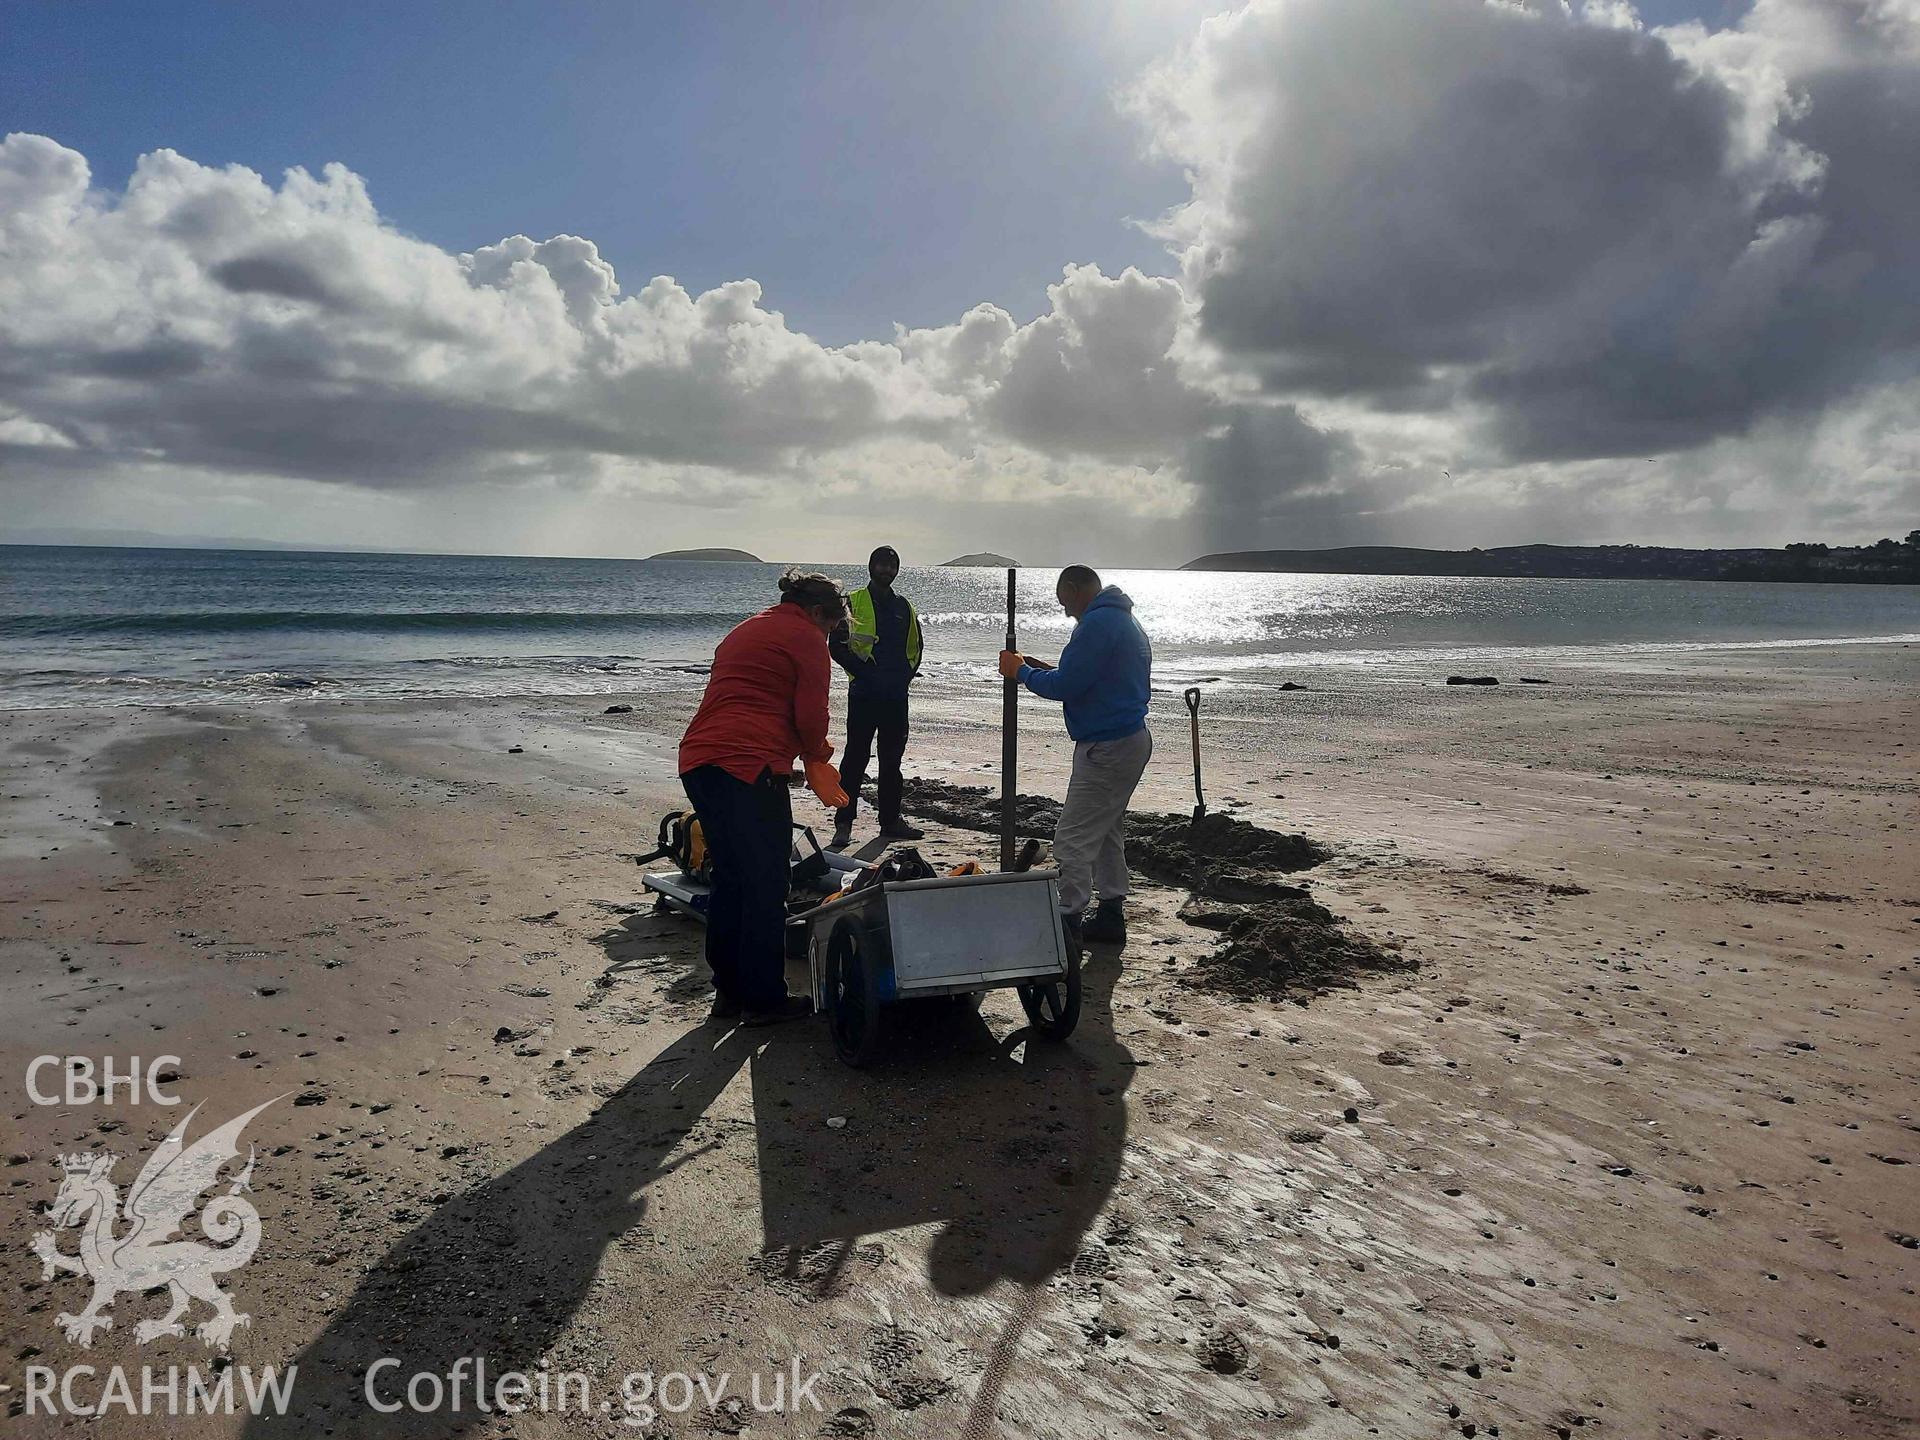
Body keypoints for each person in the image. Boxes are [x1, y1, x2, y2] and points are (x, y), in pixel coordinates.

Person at [678, 569, 851, 1025]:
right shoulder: (807, 637)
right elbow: (811, 713)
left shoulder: (748, 627)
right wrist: (818, 757)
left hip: (699, 761)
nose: (830, 635)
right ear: (818, 613)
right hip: (748, 766)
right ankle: (763, 999)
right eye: (832, 625)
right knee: (767, 882)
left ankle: (729, 992)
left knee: (731, 877)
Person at [999, 566, 1152, 952]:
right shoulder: (1122, 619)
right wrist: (1036, 669)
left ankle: (1067, 920)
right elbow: (1089, 680)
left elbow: (1067, 686)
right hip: (1128, 738)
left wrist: (1021, 673)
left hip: (1108, 746)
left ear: (1073, 588)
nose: (1067, 611)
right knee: (1105, 832)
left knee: (1071, 839)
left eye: (1065, 602)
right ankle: (1111, 914)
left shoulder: (1097, 624)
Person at [827, 544, 926, 849]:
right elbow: (837, 646)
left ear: (897, 570)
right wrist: (863, 672)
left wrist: (904, 678)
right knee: (855, 759)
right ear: (870, 567)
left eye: (891, 566)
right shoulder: (853, 603)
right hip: (864, 694)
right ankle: (843, 824)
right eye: (881, 565)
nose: (886, 570)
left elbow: (917, 648)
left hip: (895, 698)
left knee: (891, 762)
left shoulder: (904, 607)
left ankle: (891, 822)